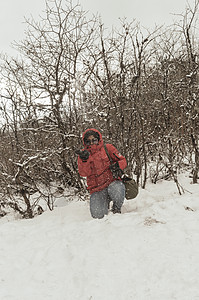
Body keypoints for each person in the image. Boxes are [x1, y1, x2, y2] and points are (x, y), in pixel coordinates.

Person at [76, 128, 127, 219]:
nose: (91, 143)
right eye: (88, 141)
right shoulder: (83, 155)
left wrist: (117, 166)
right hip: (97, 189)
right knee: (97, 215)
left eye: (94, 140)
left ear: (98, 139)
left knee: (118, 189)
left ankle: (116, 208)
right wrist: (84, 160)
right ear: (85, 142)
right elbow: (83, 173)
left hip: (112, 183)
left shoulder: (108, 148)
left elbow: (123, 160)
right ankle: (105, 202)